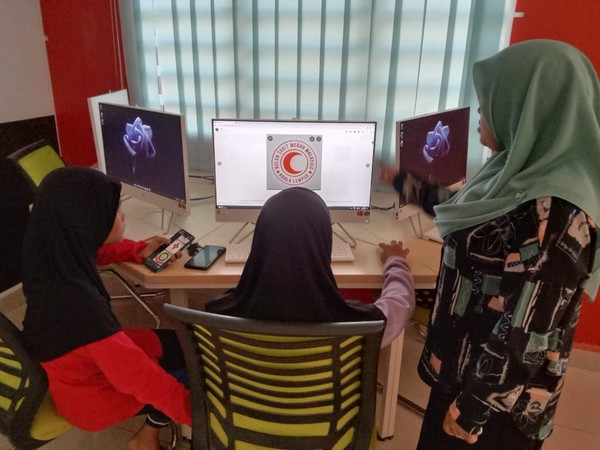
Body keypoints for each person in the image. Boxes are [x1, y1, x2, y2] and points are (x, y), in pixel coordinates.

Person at [408, 39, 600, 449]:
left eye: (490, 99)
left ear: (529, 108)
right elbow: (477, 224)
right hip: (462, 369)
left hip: (492, 404)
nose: (480, 111)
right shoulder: (511, 170)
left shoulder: (559, 210)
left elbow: (527, 330)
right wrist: (401, 181)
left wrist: (472, 409)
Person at [21, 166, 191, 450]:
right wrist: (206, 418)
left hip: (74, 369)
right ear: (88, 221)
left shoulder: (47, 251)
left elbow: (92, 251)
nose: (122, 216)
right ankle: (145, 440)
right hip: (94, 402)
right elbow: (143, 381)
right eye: (115, 211)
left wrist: (138, 249)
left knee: (180, 343)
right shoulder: (84, 312)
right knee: (192, 367)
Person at [206, 186, 416, 349]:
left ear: (259, 243)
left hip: (246, 394)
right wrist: (395, 260)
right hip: (328, 394)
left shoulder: (217, 316)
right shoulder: (362, 325)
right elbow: (400, 302)